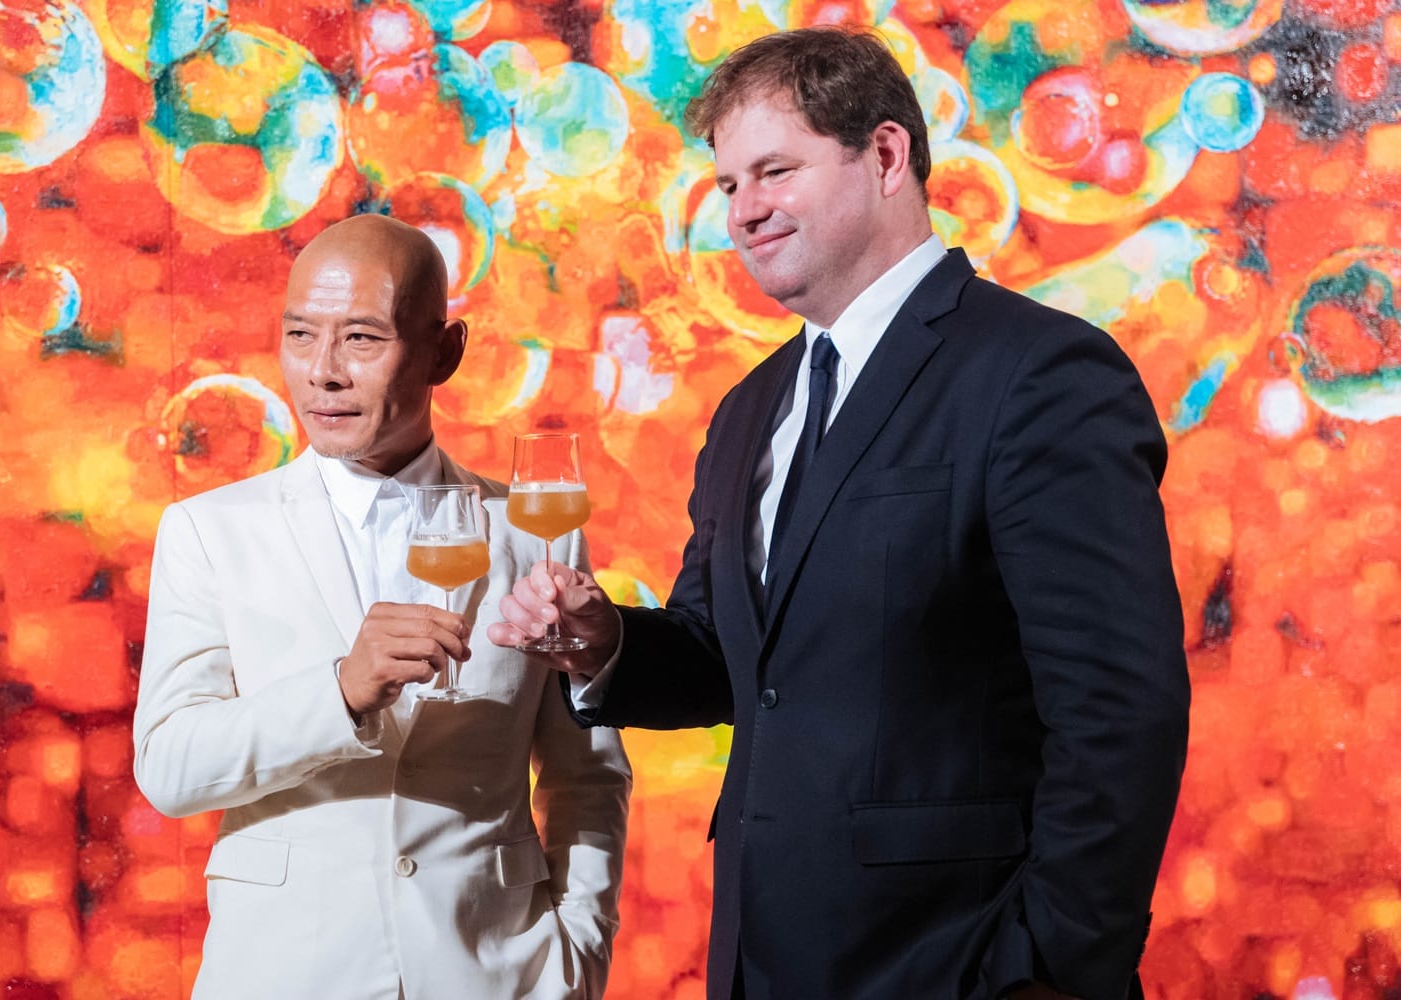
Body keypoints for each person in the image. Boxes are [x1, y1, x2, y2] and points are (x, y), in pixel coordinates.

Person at [490, 26, 1188, 1000]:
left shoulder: (1039, 373)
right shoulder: (746, 414)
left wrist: (1048, 971)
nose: (743, 211)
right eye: (729, 185)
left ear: (889, 155)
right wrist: (601, 643)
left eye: (774, 170)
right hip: (763, 962)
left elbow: (1121, 711)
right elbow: (730, 662)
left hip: (960, 965)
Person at [134, 214, 631, 1000]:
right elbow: (171, 767)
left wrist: (577, 961)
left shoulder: (535, 530)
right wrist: (339, 690)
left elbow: (589, 777)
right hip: (283, 976)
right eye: (300, 335)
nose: (322, 372)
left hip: (497, 976)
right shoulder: (208, 530)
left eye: (361, 339)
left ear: (445, 352)